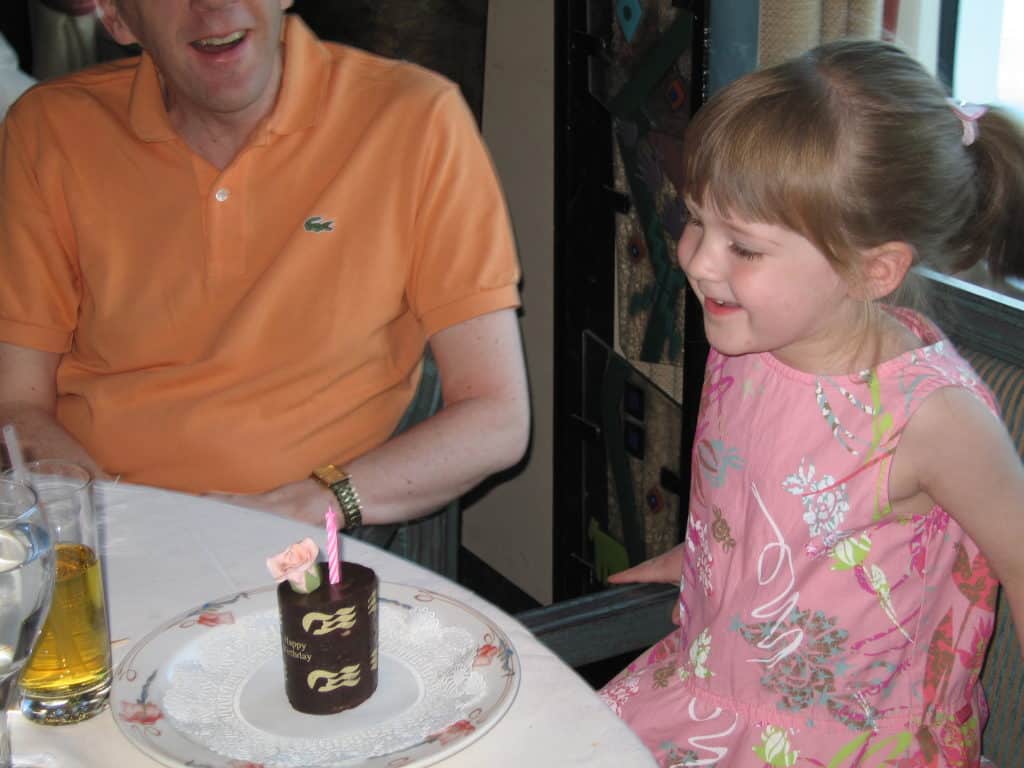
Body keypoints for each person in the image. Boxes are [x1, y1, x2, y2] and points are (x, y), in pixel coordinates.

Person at [599, 39, 1024, 766]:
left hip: (850, 746)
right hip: (708, 698)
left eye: (746, 247)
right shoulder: (753, 340)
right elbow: (777, 501)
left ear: (871, 269)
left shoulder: (933, 417)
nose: (699, 260)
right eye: (699, 219)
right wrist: (712, 555)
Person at [0, 0, 530, 547]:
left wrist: (316, 503)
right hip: (104, 538)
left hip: (310, 548)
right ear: (117, 18)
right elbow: (17, 403)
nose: (214, 8)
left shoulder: (416, 118)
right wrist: (115, 528)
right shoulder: (49, 132)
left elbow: (495, 416)